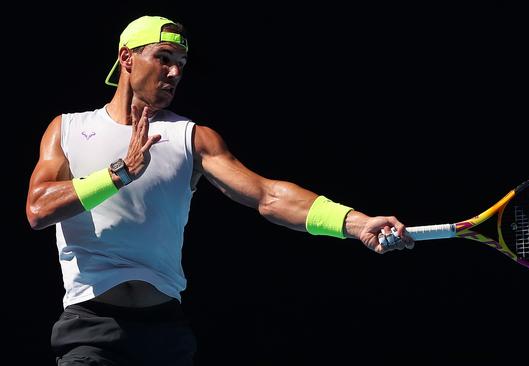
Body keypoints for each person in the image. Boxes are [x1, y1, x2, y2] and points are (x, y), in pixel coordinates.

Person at [26, 15, 414, 365]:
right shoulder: (69, 129)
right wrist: (119, 174)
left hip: (165, 335)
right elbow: (38, 210)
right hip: (91, 329)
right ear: (127, 59)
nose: (174, 73)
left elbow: (267, 195)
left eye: (181, 64)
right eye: (164, 57)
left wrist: (355, 222)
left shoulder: (192, 138)